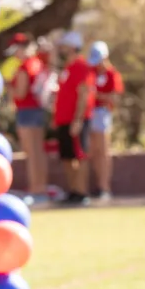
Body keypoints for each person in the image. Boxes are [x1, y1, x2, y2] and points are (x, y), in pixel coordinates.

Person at [51, 30, 96, 205]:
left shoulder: (81, 66)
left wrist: (77, 120)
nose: (62, 48)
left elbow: (84, 94)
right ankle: (73, 191)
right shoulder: (67, 68)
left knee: (80, 156)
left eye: (65, 45)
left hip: (76, 120)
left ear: (72, 47)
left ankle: (82, 192)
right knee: (67, 157)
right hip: (63, 120)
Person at [7, 33, 48, 206]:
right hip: (38, 110)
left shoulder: (25, 67)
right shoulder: (37, 63)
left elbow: (21, 93)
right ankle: (41, 187)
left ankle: (35, 189)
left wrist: (8, 86)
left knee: (31, 153)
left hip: (26, 111)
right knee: (38, 152)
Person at [87, 40, 122, 201]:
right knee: (93, 151)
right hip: (90, 112)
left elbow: (114, 98)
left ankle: (105, 187)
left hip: (103, 113)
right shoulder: (92, 72)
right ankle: (98, 186)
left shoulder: (112, 74)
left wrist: (95, 95)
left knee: (103, 150)